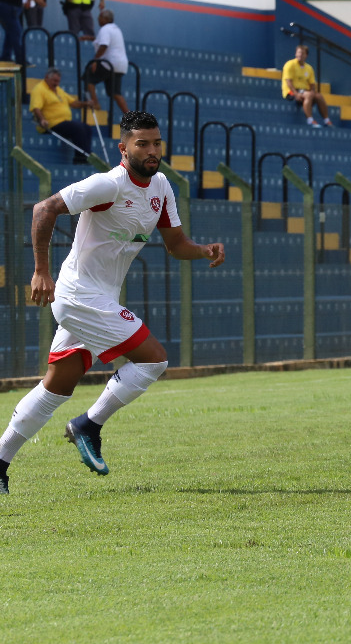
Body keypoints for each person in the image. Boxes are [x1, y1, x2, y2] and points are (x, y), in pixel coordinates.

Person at [0, 111, 226, 495]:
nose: (152, 150)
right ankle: (87, 425)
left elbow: (175, 245)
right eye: (143, 143)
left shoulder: (162, 187)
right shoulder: (108, 184)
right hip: (78, 296)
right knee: (154, 358)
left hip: (98, 299)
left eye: (156, 143)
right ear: (124, 148)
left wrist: (203, 250)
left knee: (56, 387)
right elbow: (44, 209)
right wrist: (41, 271)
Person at [29, 66, 95, 162]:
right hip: (51, 123)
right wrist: (42, 120)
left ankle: (86, 153)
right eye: (54, 81)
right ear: (47, 77)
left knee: (87, 128)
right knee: (77, 128)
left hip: (63, 122)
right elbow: (36, 107)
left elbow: (72, 102)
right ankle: (80, 157)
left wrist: (86, 104)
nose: (56, 83)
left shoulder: (58, 90)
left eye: (58, 81)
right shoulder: (39, 89)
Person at [84, 8, 129, 114]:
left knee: (88, 77)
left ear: (105, 18)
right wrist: (91, 38)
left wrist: (95, 60)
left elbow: (104, 45)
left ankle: (95, 102)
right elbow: (106, 41)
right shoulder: (115, 29)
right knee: (115, 93)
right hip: (121, 65)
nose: (98, 20)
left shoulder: (105, 29)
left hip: (110, 63)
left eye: (99, 18)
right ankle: (130, 118)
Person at [281, 44, 332, 128]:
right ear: (295, 54)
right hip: (291, 91)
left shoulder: (309, 68)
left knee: (319, 96)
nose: (300, 55)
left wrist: (313, 93)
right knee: (309, 94)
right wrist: (296, 94)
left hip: (304, 92)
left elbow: (312, 85)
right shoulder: (289, 64)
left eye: (302, 53)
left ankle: (327, 121)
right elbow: (288, 82)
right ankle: (310, 120)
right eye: (298, 52)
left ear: (306, 55)